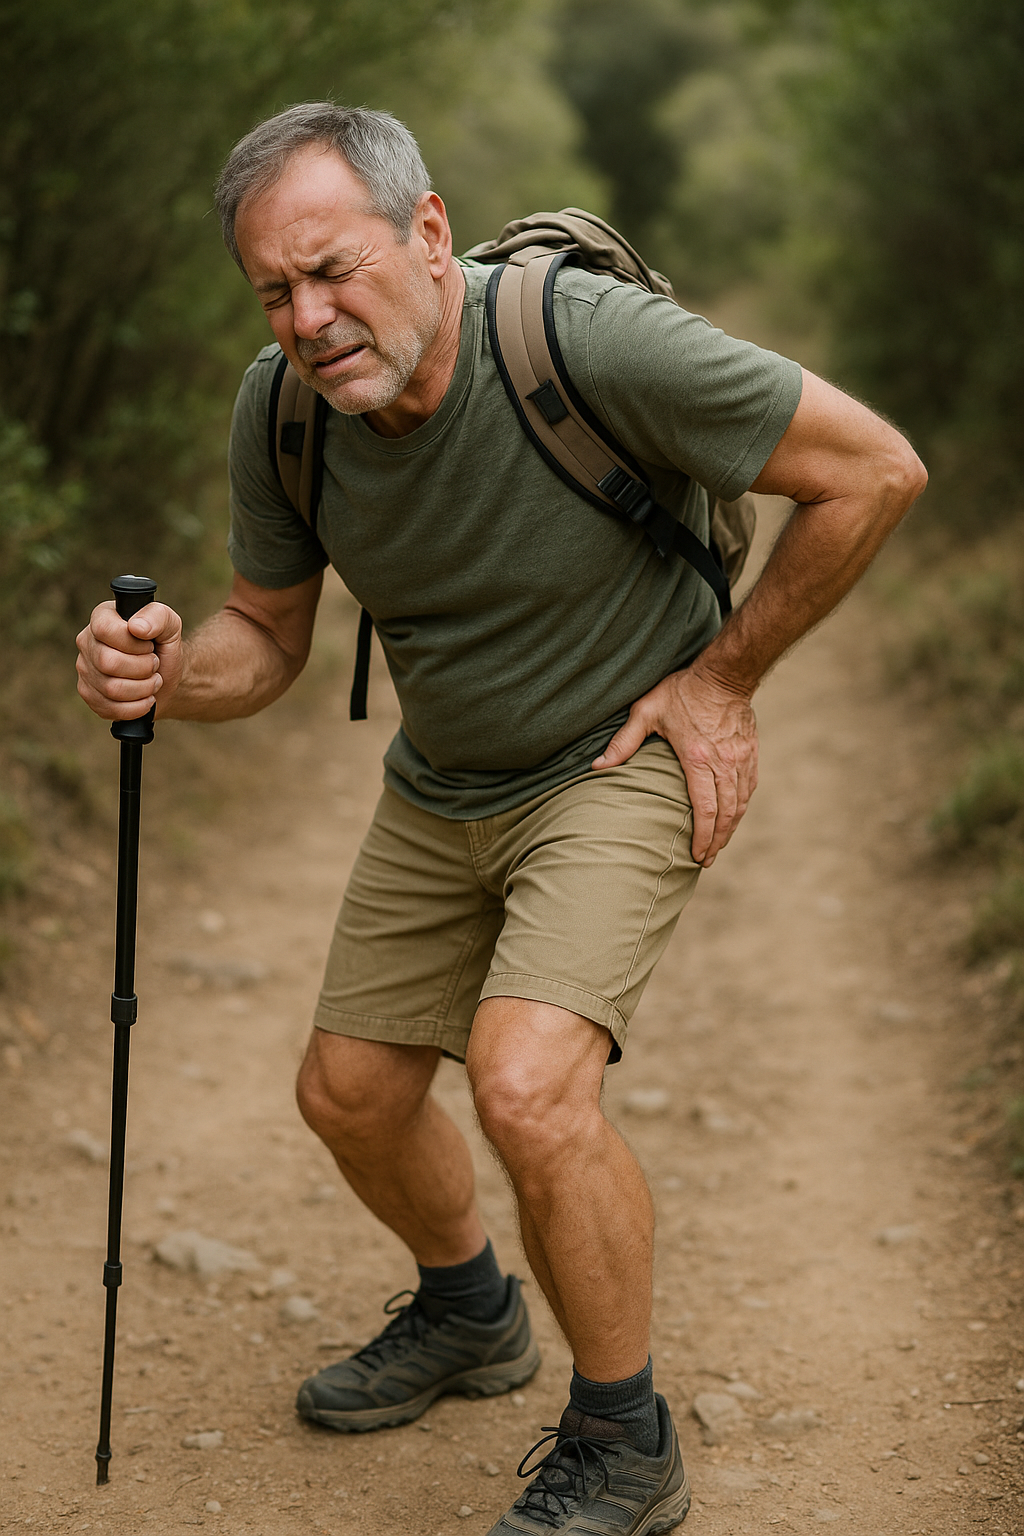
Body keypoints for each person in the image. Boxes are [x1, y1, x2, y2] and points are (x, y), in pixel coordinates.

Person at [76, 103, 926, 1534]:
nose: (309, 315)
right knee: (348, 1093)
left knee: (527, 1085)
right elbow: (265, 642)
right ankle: (472, 1312)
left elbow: (875, 470)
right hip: (443, 782)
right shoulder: (280, 412)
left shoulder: (583, 342)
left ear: (425, 232)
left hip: (616, 758)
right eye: (275, 290)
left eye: (335, 267)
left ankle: (626, 1440)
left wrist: (725, 682)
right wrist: (163, 670)